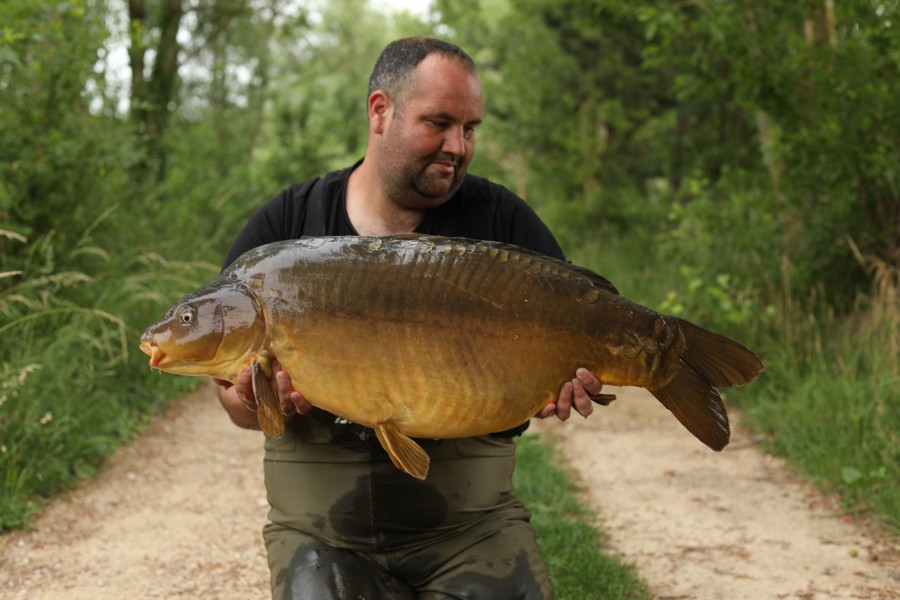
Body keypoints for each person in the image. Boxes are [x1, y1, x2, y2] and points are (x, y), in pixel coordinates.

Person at [214, 37, 604, 600]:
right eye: (439, 123)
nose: (458, 146)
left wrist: (560, 384)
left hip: (469, 526)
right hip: (323, 532)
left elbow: (568, 336)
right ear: (381, 111)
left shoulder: (502, 221)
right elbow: (233, 406)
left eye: (470, 129)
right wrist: (255, 397)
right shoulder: (286, 227)